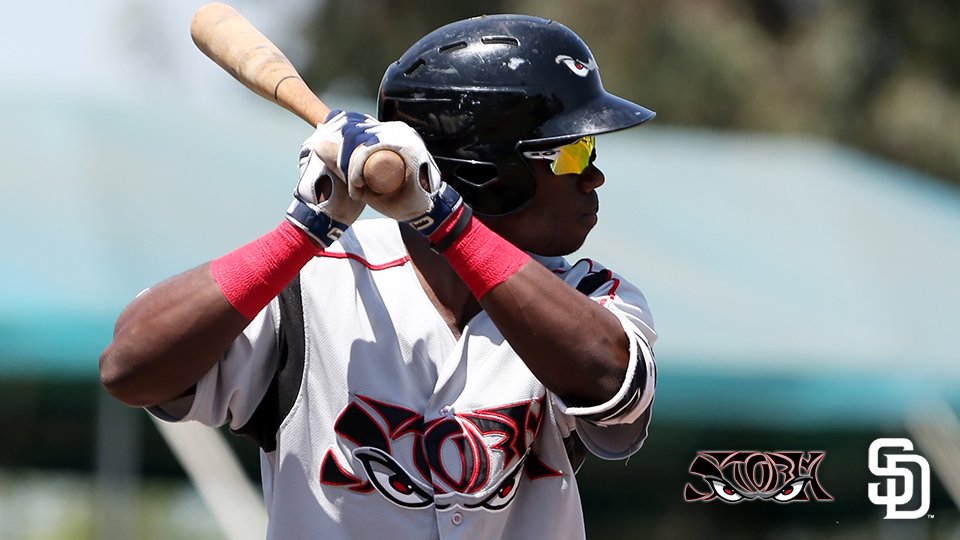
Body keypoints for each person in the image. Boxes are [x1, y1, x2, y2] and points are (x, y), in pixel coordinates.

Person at [100, 14, 657, 540]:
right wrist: (302, 231)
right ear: (489, 171)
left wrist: (444, 218)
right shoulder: (310, 286)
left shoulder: (587, 297)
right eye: (571, 153)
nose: (593, 175)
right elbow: (130, 367)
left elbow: (611, 385)